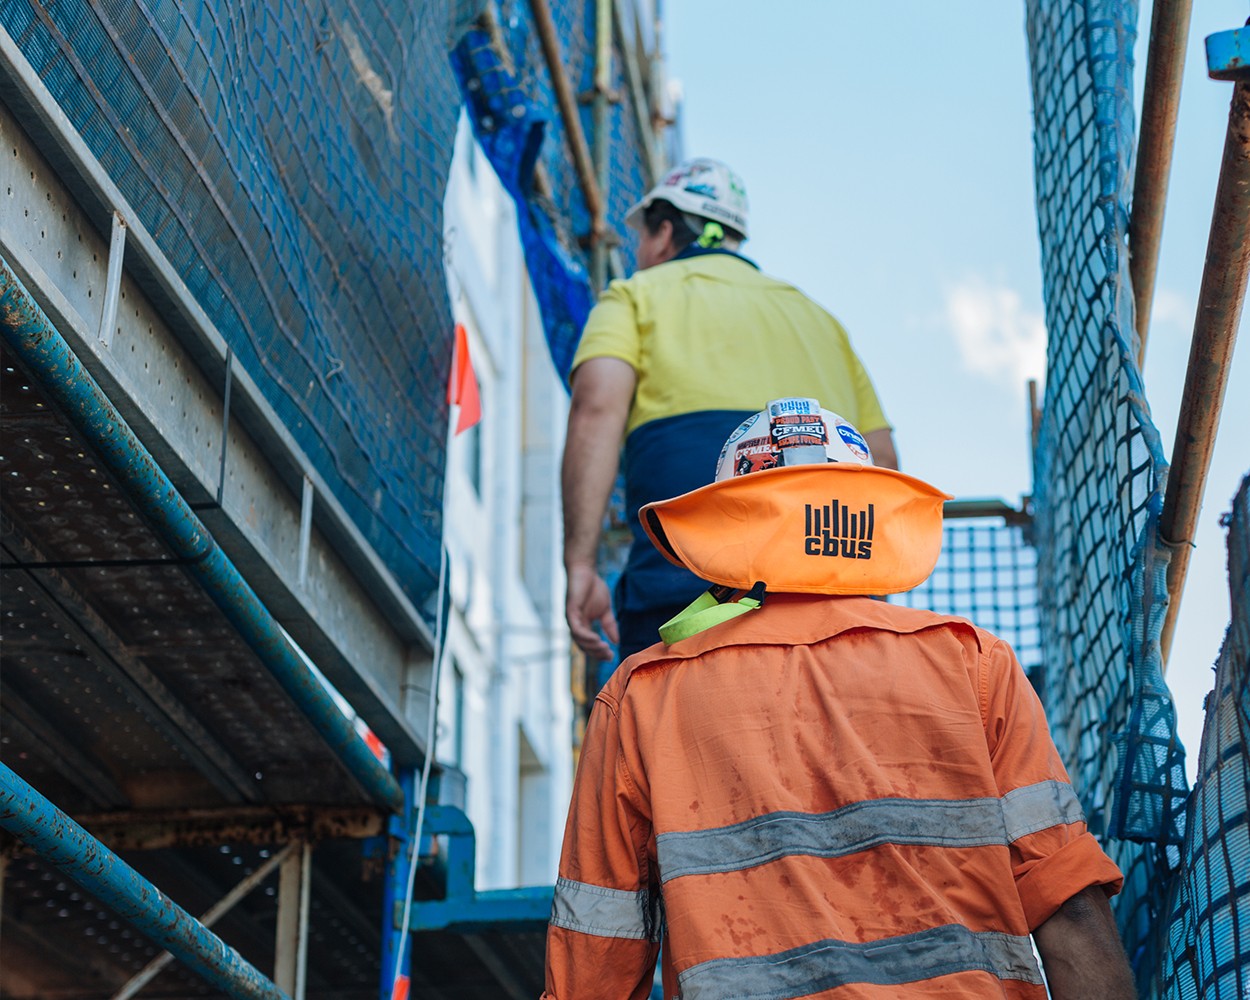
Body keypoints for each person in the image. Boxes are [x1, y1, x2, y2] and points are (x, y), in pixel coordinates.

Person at [543, 398, 1135, 1000]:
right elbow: (1068, 899)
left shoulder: (644, 695)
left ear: (728, 525)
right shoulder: (973, 662)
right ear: (869, 520)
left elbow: (599, 950)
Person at [562, 157, 899, 669]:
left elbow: (596, 411)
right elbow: (884, 462)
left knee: (670, 736)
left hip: (687, 591)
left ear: (665, 231)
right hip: (830, 598)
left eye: (641, 239)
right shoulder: (821, 321)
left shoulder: (634, 296)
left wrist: (581, 564)